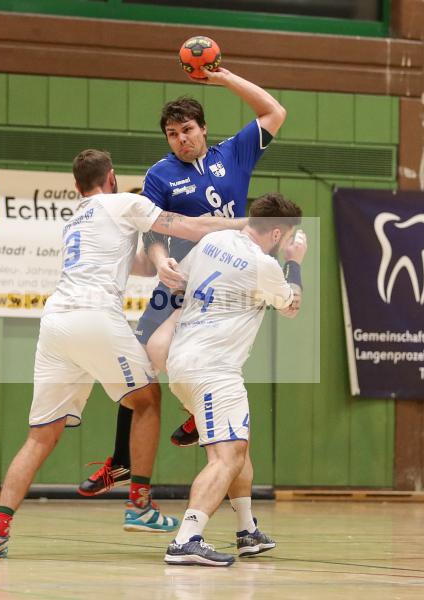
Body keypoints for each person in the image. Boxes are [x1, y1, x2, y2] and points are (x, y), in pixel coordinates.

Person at [0, 149, 247, 559]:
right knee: (147, 399)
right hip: (94, 316)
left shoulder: (75, 218)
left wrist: (162, 265)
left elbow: (132, 264)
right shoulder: (123, 202)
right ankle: (139, 503)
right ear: (112, 178)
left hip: (55, 325)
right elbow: (191, 226)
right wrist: (248, 224)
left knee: (39, 437)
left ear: (77, 186)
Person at [78, 66, 287, 497]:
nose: (181, 139)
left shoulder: (233, 153)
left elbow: (274, 111)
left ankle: (196, 416)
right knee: (141, 362)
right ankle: (121, 460)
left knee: (206, 358)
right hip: (181, 280)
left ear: (203, 128)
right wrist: (159, 260)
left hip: (228, 280)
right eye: (173, 134)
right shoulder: (160, 174)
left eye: (187, 130)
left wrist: (224, 78)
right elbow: (151, 228)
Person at [163, 192, 306, 566]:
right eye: (288, 237)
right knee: (226, 457)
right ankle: (187, 538)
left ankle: (246, 531)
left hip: (182, 360)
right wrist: (295, 264)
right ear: (276, 233)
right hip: (214, 368)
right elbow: (292, 307)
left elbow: (179, 281)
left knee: (238, 445)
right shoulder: (265, 265)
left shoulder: (213, 240)